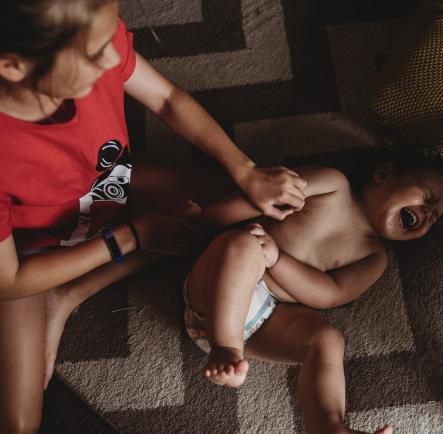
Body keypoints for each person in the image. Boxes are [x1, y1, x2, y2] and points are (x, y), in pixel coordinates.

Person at [0, 1, 306, 432]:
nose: (114, 58)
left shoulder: (92, 33)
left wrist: (244, 169)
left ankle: (68, 296)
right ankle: (59, 291)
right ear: (12, 66)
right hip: (34, 250)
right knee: (18, 423)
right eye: (93, 53)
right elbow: (10, 280)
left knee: (261, 200)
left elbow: (166, 98)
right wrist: (129, 237)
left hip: (111, 183)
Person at [183, 155, 443, 434]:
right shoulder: (332, 184)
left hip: (262, 319)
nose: (427, 213)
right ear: (383, 173)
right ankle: (224, 348)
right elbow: (261, 198)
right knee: (242, 244)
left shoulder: (373, 257)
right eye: (427, 197)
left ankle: (329, 426)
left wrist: (277, 259)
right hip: (216, 288)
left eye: (433, 217)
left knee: (328, 339)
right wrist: (207, 218)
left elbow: (328, 295)